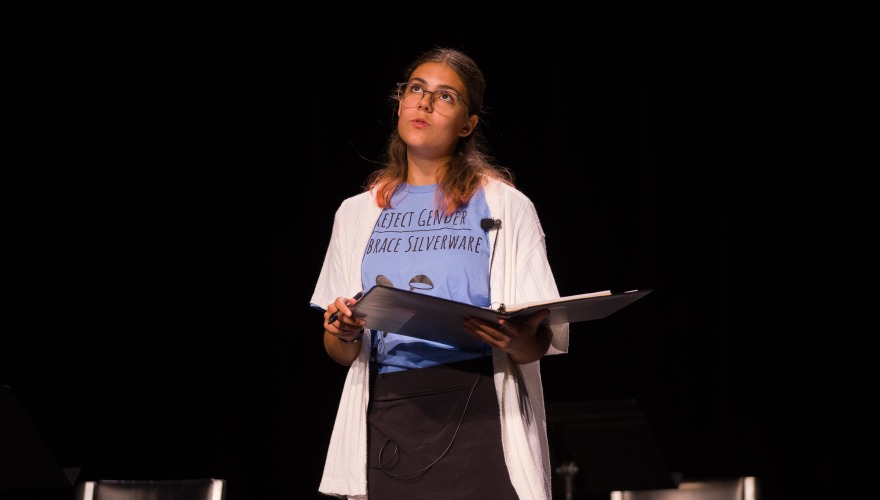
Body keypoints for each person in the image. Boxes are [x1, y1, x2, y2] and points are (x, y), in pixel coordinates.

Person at [309, 47, 569, 499]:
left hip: (481, 410)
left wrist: (516, 337)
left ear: (468, 123)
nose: (425, 104)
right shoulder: (357, 214)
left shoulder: (506, 206)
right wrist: (344, 330)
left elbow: (536, 343)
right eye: (416, 89)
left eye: (445, 96)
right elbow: (338, 350)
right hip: (390, 415)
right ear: (400, 103)